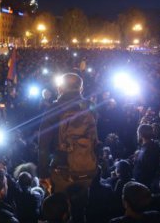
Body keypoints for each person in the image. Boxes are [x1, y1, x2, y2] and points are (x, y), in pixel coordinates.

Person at [39, 73, 98, 222]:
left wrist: (43, 172)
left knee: (60, 210)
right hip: (86, 167)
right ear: (81, 88)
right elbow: (94, 138)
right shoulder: (90, 106)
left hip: (62, 170)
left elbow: (43, 144)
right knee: (80, 209)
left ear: (60, 88)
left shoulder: (54, 108)